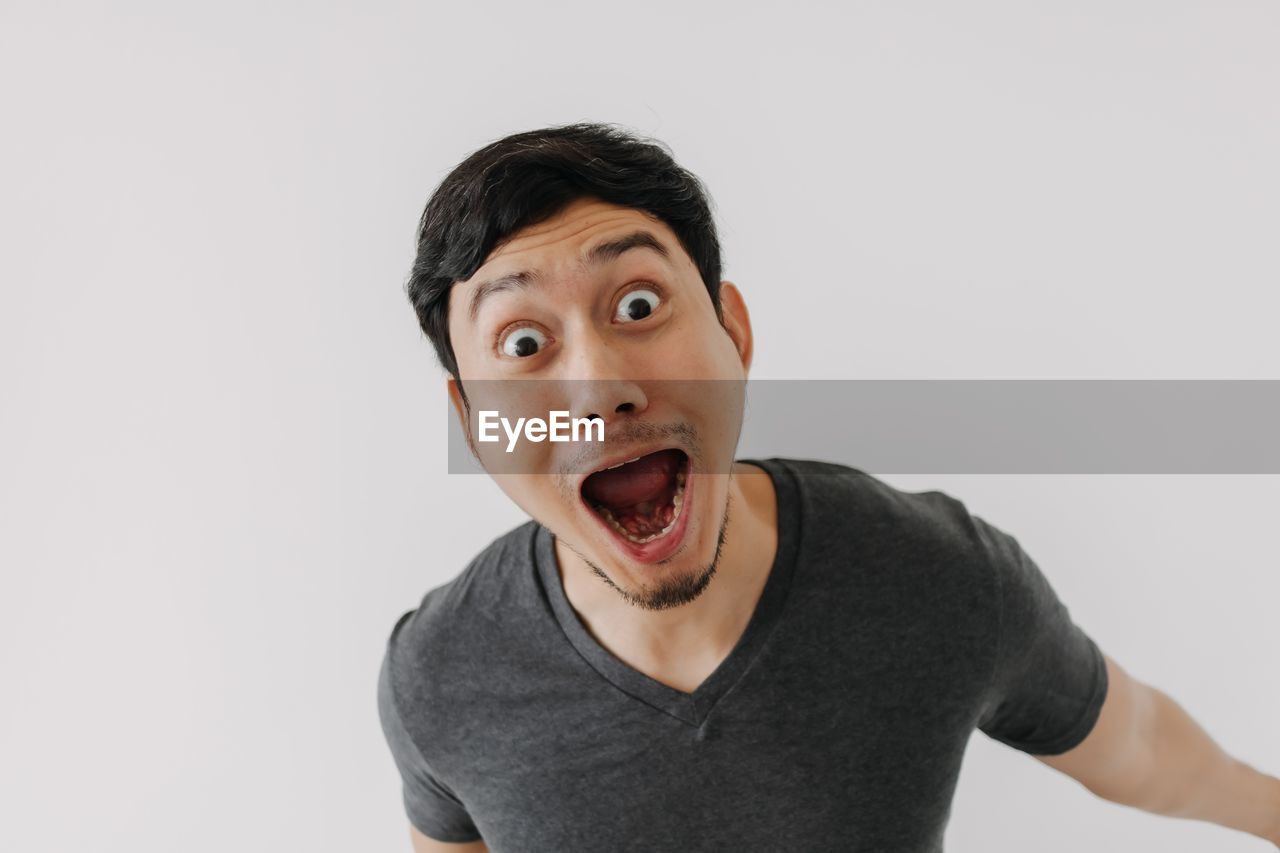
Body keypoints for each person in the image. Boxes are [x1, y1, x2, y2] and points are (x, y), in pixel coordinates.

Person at [378, 123, 1280, 852]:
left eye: (639, 305)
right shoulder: (440, 675)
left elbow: (1142, 746)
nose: (598, 387)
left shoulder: (937, 576)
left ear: (734, 331)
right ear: (476, 422)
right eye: (524, 345)